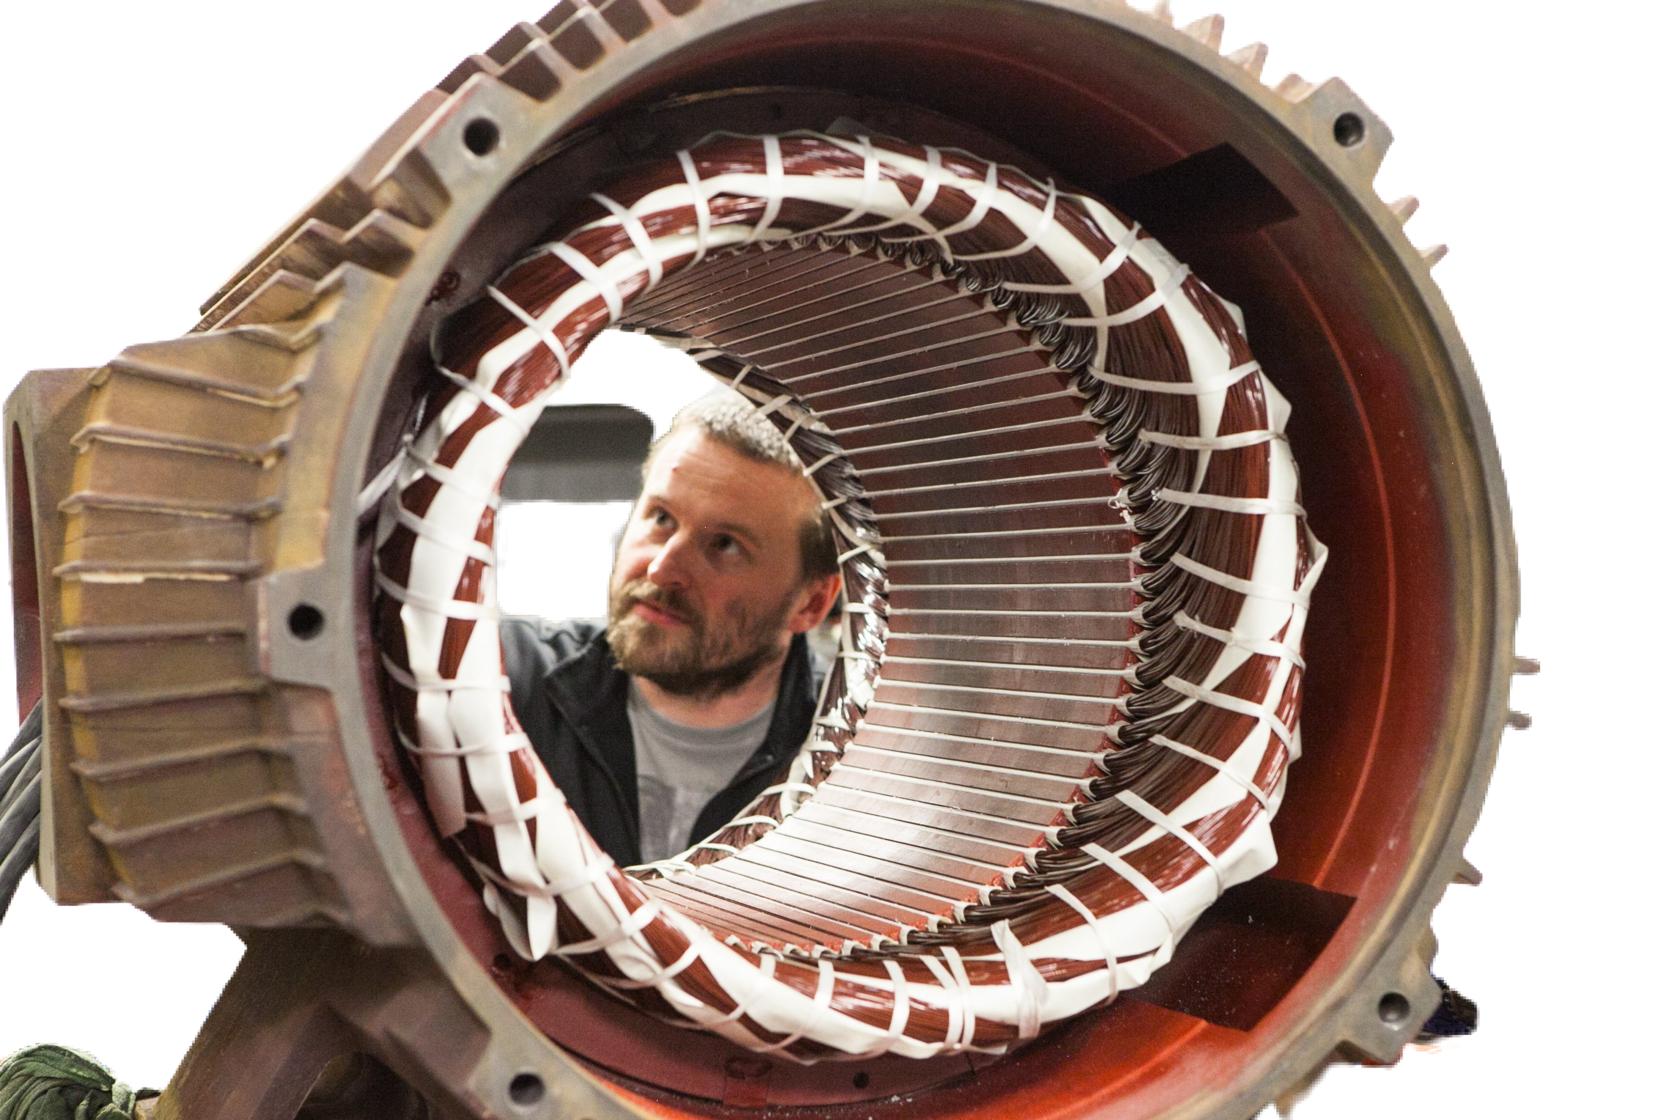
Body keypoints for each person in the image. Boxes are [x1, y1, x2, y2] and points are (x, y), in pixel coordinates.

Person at [500, 394, 841, 867]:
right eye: (661, 518)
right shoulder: (502, 683)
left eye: (725, 545)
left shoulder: (851, 756)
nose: (662, 569)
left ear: (810, 603)